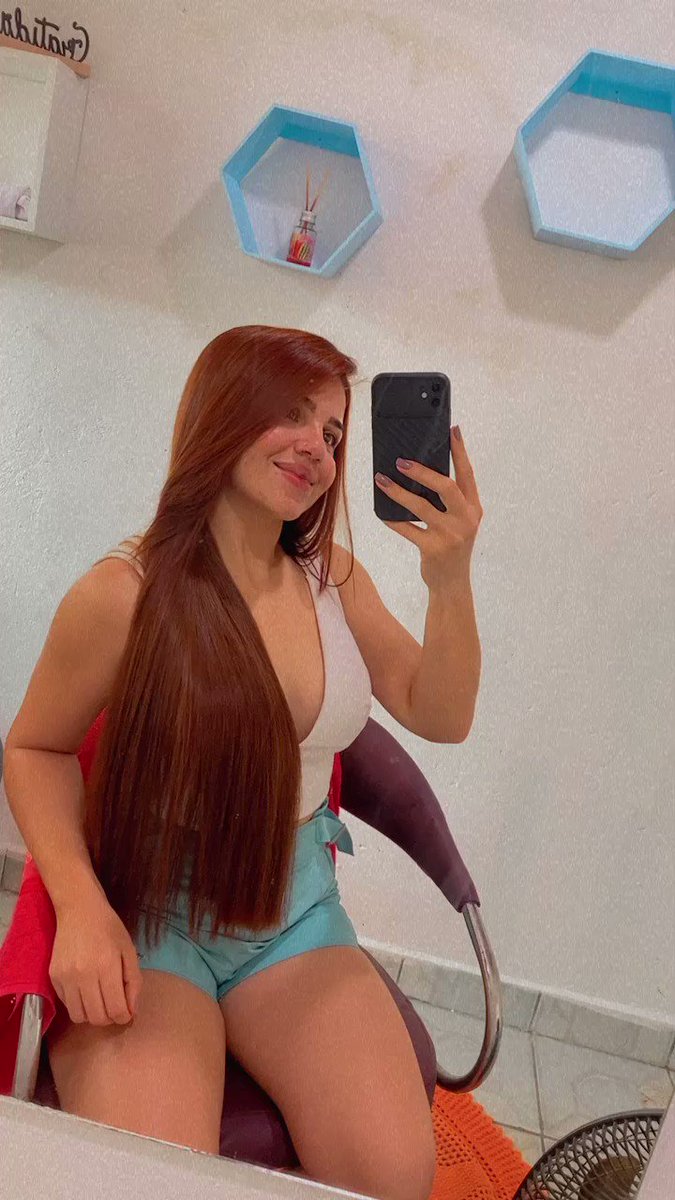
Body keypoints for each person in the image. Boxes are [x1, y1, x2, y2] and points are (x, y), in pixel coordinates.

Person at [3, 326, 439, 1200]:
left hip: (294, 909)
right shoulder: (122, 592)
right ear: (220, 411)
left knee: (395, 1180)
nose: (316, 447)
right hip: (151, 911)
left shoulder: (332, 577)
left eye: (332, 432)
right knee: (148, 1186)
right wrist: (80, 906)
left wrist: (451, 572)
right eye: (292, 413)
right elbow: (34, 747)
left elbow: (441, 712)